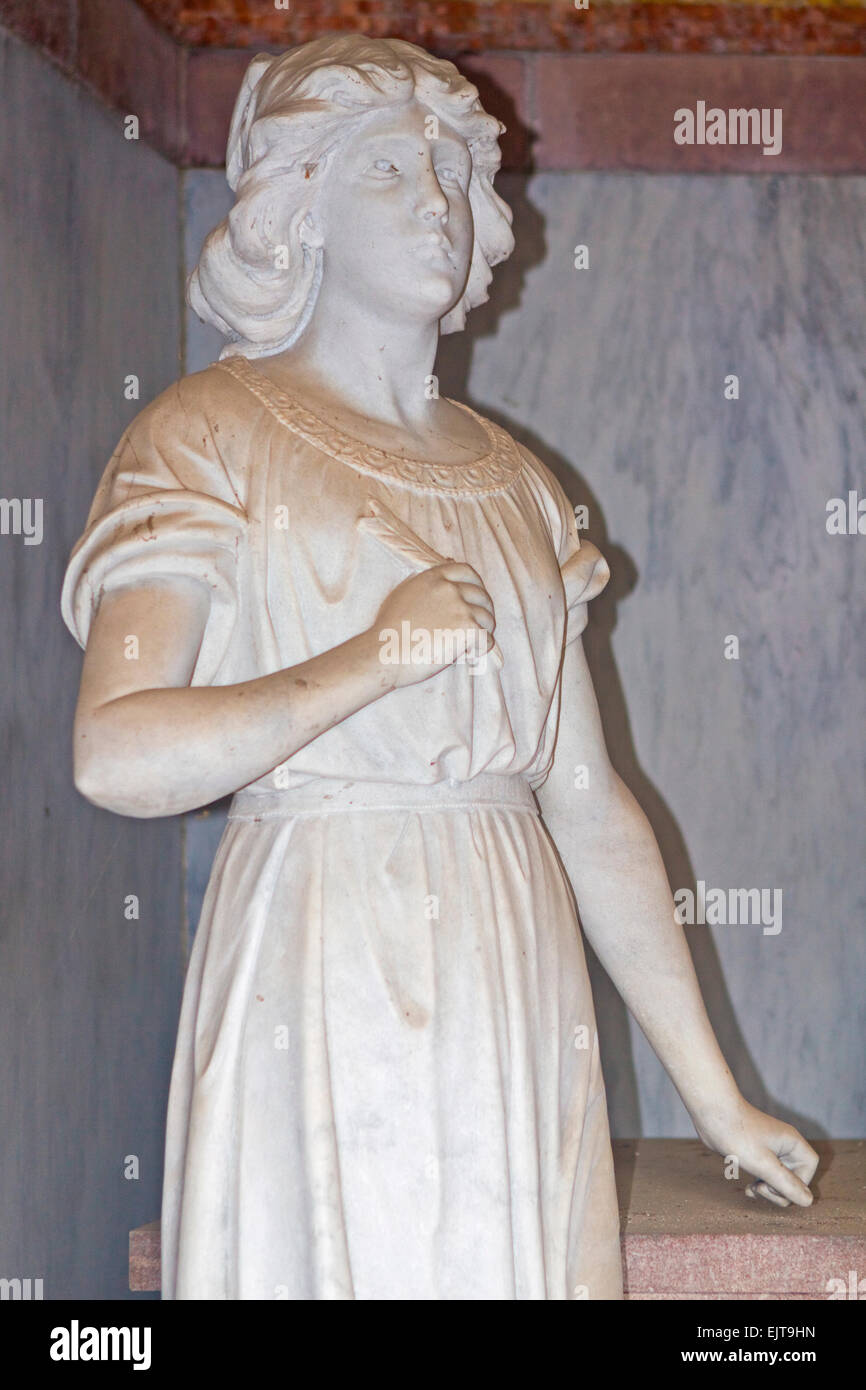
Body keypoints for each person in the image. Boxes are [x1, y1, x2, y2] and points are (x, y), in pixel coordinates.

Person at [62, 34, 818, 1300]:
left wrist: (713, 1098)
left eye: (457, 178)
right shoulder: (206, 432)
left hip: (509, 958)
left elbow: (584, 802)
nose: (439, 202)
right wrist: (370, 660)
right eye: (392, 170)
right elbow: (117, 751)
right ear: (296, 204)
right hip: (320, 937)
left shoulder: (517, 480)